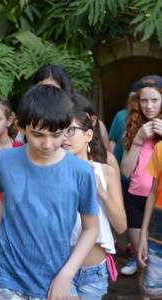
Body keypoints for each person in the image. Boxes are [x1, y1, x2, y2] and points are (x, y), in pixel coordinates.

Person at [0, 84, 100, 299]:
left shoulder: (81, 171)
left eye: (56, 134)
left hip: (53, 275)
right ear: (21, 128)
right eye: (38, 134)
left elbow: (91, 229)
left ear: (67, 127)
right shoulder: (5, 159)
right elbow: (4, 201)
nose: (47, 144)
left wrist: (67, 275)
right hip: (5, 273)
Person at [62, 109, 126, 299]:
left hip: (94, 273)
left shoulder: (106, 171)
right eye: (59, 131)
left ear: (88, 134)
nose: (64, 137)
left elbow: (121, 226)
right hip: (59, 266)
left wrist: (101, 192)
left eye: (71, 130)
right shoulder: (52, 172)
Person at [121, 75, 162, 299]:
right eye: (144, 101)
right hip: (137, 200)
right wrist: (138, 138)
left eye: (155, 100)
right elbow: (125, 172)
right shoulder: (134, 126)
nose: (149, 106)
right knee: (143, 262)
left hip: (159, 205)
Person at [29, 64, 111, 151]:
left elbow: (105, 156)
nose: (49, 96)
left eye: (55, 91)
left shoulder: (81, 118)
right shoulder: (28, 122)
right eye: (43, 90)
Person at [109, 81, 139, 276]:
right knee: (125, 211)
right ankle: (125, 246)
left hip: (142, 177)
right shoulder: (121, 116)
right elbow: (112, 141)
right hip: (122, 172)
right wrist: (109, 166)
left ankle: (132, 249)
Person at [138, 141, 162, 299]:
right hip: (158, 227)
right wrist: (143, 235)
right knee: (152, 289)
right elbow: (153, 191)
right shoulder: (160, 147)